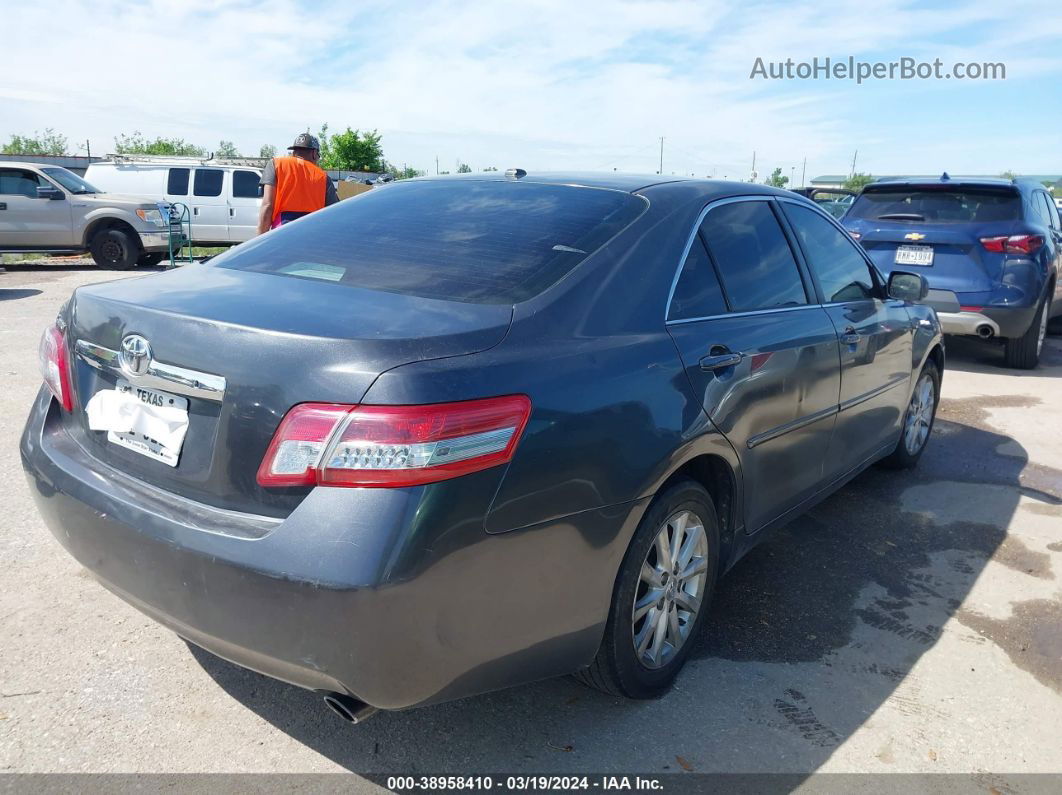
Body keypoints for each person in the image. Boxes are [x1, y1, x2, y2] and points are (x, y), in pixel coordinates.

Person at [256, 133, 340, 234]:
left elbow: (267, 206)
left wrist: (260, 240)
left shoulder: (276, 165)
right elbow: (335, 213)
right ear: (314, 153)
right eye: (318, 156)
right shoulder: (323, 177)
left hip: (282, 234)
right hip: (310, 236)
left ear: (294, 151)